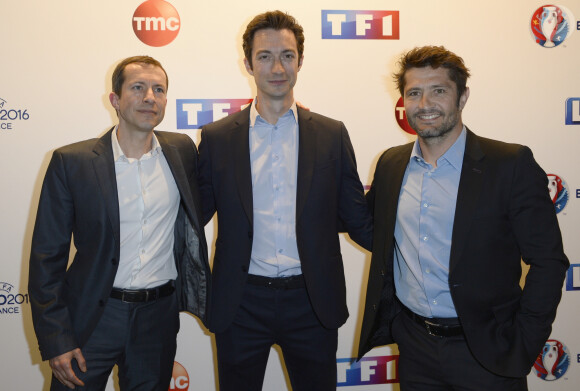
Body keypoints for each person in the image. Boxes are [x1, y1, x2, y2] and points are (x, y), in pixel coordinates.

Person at [357, 45, 569, 390]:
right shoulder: (391, 165)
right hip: (415, 348)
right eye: (414, 93)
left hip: (488, 350)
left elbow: (548, 261)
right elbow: (372, 229)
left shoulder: (509, 164)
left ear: (463, 96)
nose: (425, 105)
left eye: (438, 91)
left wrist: (524, 341)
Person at [198, 10, 372, 391]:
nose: (277, 67)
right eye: (264, 56)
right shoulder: (217, 137)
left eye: (287, 56)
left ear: (300, 61)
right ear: (248, 63)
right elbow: (192, 216)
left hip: (312, 302)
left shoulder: (331, 134)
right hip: (240, 302)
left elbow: (358, 219)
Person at [28, 56, 211, 390]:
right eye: (138, 88)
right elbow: (46, 258)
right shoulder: (72, 163)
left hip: (157, 319)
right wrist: (57, 338)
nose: (150, 97)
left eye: (159, 89)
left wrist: (282, 113)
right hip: (92, 317)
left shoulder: (182, 151)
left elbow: (215, 190)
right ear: (115, 99)